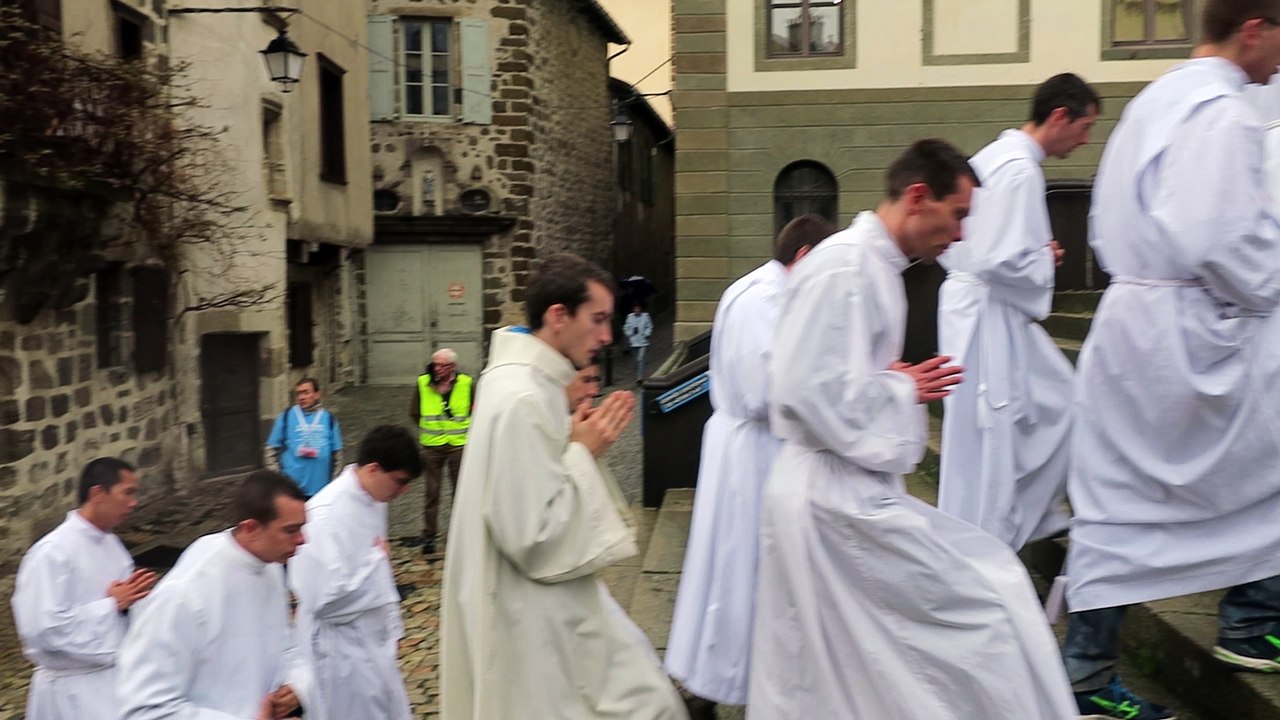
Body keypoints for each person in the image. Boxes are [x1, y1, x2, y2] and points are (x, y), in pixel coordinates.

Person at [747, 139, 1077, 720]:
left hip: (843, 489)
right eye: (958, 216)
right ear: (919, 197)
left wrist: (885, 379)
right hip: (830, 496)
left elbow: (830, 376)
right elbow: (799, 391)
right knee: (986, 600)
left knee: (856, 656)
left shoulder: (872, 265)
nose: (962, 236)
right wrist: (900, 387)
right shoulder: (845, 266)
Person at [1062, 2, 1280, 716]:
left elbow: (1107, 222)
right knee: (1267, 474)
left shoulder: (1157, 98)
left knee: (1116, 504)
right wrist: (1269, 282)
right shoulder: (1223, 109)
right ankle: (1252, 621)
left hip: (1135, 323)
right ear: (1253, 27)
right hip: (1192, 332)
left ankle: (1087, 673)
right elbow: (1214, 235)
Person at [440, 253, 687, 720]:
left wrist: (572, 444)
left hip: (534, 597)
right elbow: (531, 532)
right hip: (527, 607)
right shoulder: (523, 398)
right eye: (596, 320)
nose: (606, 337)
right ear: (558, 316)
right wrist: (582, 453)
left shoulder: (524, 383)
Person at [664, 214, 835, 714]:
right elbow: (768, 391)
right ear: (803, 257)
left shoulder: (753, 287)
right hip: (757, 449)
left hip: (742, 445)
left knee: (730, 564)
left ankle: (715, 677)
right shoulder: (769, 299)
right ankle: (720, 680)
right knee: (743, 567)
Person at [936, 73, 1098, 550]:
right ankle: (995, 530)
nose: (1086, 140)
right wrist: (1042, 258)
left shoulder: (996, 157)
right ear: (1059, 116)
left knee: (1058, 400)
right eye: (1084, 127)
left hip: (981, 309)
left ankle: (1029, 509)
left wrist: (1034, 252)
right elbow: (995, 257)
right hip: (988, 314)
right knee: (994, 433)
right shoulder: (1020, 168)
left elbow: (985, 245)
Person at [116, 470, 316, 720]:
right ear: (250, 528)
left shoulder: (270, 567)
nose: (302, 539)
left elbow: (287, 646)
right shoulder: (186, 593)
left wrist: (296, 685)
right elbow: (145, 709)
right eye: (291, 530)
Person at [288, 425, 422, 720]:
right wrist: (376, 562)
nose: (404, 491)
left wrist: (393, 626)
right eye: (399, 481)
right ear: (373, 469)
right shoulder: (323, 515)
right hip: (338, 653)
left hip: (372, 642)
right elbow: (323, 599)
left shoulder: (375, 500)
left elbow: (382, 570)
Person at [10, 458, 157, 720]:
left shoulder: (113, 546)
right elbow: (42, 629)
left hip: (115, 681)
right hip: (72, 691)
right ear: (97, 494)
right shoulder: (52, 553)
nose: (134, 502)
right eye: (128, 493)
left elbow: (126, 611)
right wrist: (111, 605)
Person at [408, 347, 474, 555]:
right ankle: (429, 535)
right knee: (431, 493)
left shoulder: (467, 384)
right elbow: (414, 412)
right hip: (432, 446)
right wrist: (431, 432)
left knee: (461, 493)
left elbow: (477, 410)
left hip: (458, 445)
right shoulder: (423, 383)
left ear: (453, 367)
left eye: (442, 365)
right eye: (435, 364)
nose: (437, 369)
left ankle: (461, 535)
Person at [266, 377, 343, 498]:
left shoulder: (329, 419)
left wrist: (333, 484)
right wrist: (279, 480)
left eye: (306, 392)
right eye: (299, 393)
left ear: (317, 394)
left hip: (320, 491)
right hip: (292, 491)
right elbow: (270, 449)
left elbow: (337, 454)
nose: (301, 397)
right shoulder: (286, 416)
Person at [623, 302, 654, 380]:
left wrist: (646, 334)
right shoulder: (630, 317)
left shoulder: (645, 316)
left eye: (638, 308)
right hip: (633, 341)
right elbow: (626, 327)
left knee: (641, 358)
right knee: (636, 360)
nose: (637, 310)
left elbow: (649, 326)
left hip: (643, 341)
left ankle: (640, 377)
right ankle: (638, 374)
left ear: (640, 309)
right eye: (635, 309)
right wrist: (630, 333)